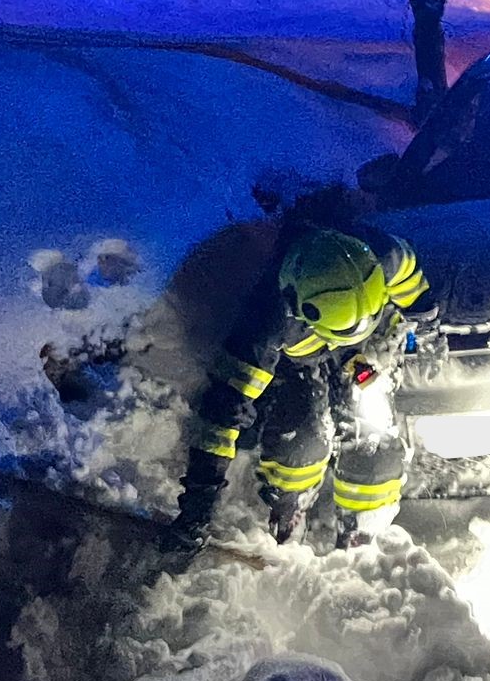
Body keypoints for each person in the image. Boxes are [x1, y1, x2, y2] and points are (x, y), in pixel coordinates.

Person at [164, 224, 438, 561]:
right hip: (294, 361)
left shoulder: (379, 256)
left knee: (374, 433)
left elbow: (411, 279)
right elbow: (222, 417)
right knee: (301, 436)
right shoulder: (267, 324)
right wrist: (197, 506)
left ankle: (365, 529)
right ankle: (289, 505)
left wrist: (427, 327)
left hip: (361, 350)